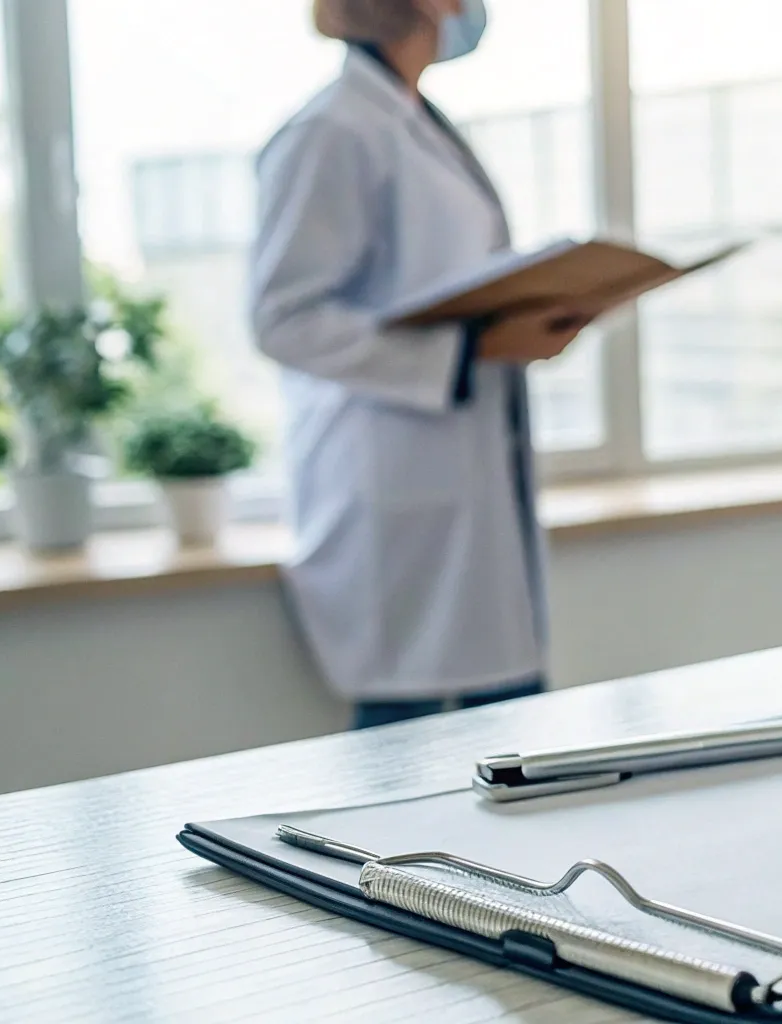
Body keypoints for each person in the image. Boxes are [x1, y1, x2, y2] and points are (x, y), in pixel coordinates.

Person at [251, 0, 587, 729]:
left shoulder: (409, 117)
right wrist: (472, 349)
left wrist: (523, 321)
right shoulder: (330, 130)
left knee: (510, 737)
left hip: (462, 484)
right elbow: (285, 319)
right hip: (393, 495)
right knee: (405, 760)